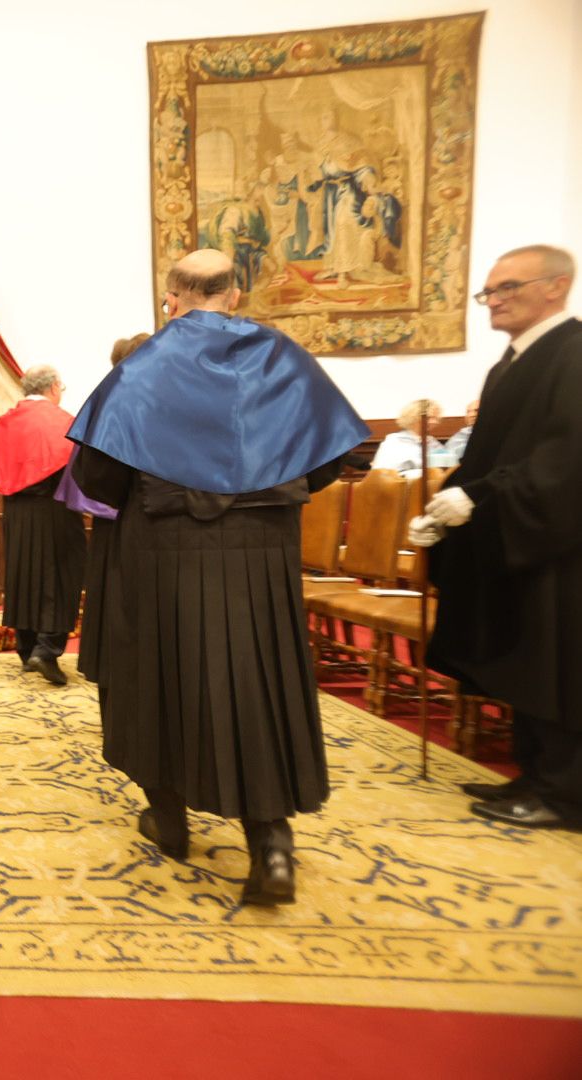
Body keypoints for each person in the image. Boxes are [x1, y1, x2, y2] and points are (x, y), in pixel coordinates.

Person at [69, 250, 367, 905]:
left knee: (159, 678)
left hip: (163, 552)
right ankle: (272, 848)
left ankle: (169, 820)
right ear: (235, 295)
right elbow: (327, 465)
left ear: (170, 297)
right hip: (260, 558)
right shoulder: (283, 358)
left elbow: (97, 481)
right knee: (258, 682)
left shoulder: (141, 370)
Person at [412, 244, 582, 831]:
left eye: (508, 287)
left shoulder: (575, 353)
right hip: (517, 537)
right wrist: (449, 500)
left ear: (556, 287)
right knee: (525, 660)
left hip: (559, 547)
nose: (495, 301)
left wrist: (482, 498)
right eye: (489, 291)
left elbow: (564, 459)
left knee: (556, 668)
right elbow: (492, 452)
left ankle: (564, 793)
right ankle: (535, 775)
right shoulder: (511, 361)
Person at [0, 364, 85, 685]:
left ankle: (26, 650)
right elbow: (81, 467)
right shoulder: (61, 420)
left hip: (16, 513)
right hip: (56, 510)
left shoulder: (5, 423)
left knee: (23, 575)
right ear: (53, 388)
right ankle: (47, 650)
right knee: (61, 574)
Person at [65, 332, 148, 684]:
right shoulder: (137, 400)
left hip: (113, 518)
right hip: (137, 521)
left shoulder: (108, 399)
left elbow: (90, 472)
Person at [370, 399, 449, 472]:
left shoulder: (432, 442)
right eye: (429, 418)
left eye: (436, 418)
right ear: (413, 418)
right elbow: (385, 470)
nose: (434, 422)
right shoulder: (394, 441)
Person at [445, 398, 478, 463]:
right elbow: (447, 456)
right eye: (468, 412)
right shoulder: (461, 434)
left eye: (476, 410)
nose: (471, 415)